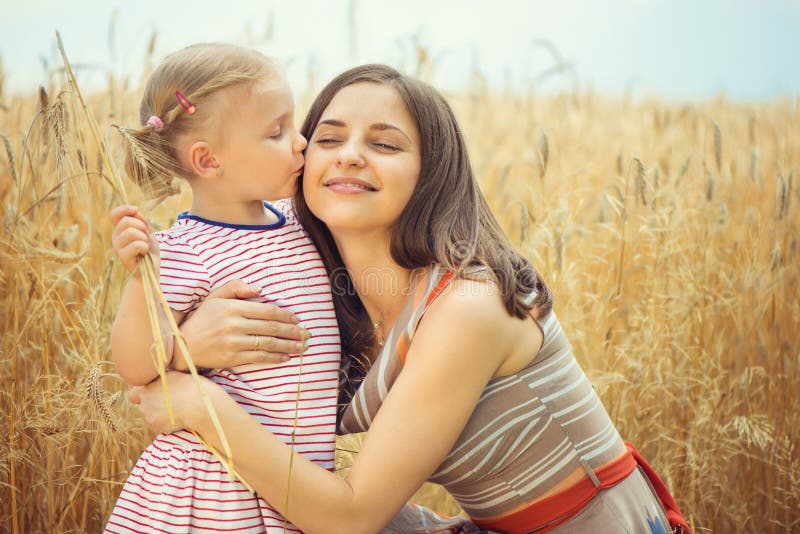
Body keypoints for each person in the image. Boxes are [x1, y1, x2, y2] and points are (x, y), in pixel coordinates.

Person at [127, 65, 689, 534]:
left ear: (430, 174)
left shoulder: (467, 305)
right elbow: (146, 347)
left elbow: (350, 519)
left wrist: (203, 406)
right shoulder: (293, 257)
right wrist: (180, 348)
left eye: (384, 144)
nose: (347, 156)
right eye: (327, 138)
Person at [105, 43, 342, 533]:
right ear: (208, 160)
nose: (300, 142)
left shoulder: (301, 222)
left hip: (291, 479)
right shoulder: (181, 249)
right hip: (213, 487)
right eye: (276, 132)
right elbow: (135, 366)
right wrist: (140, 278)